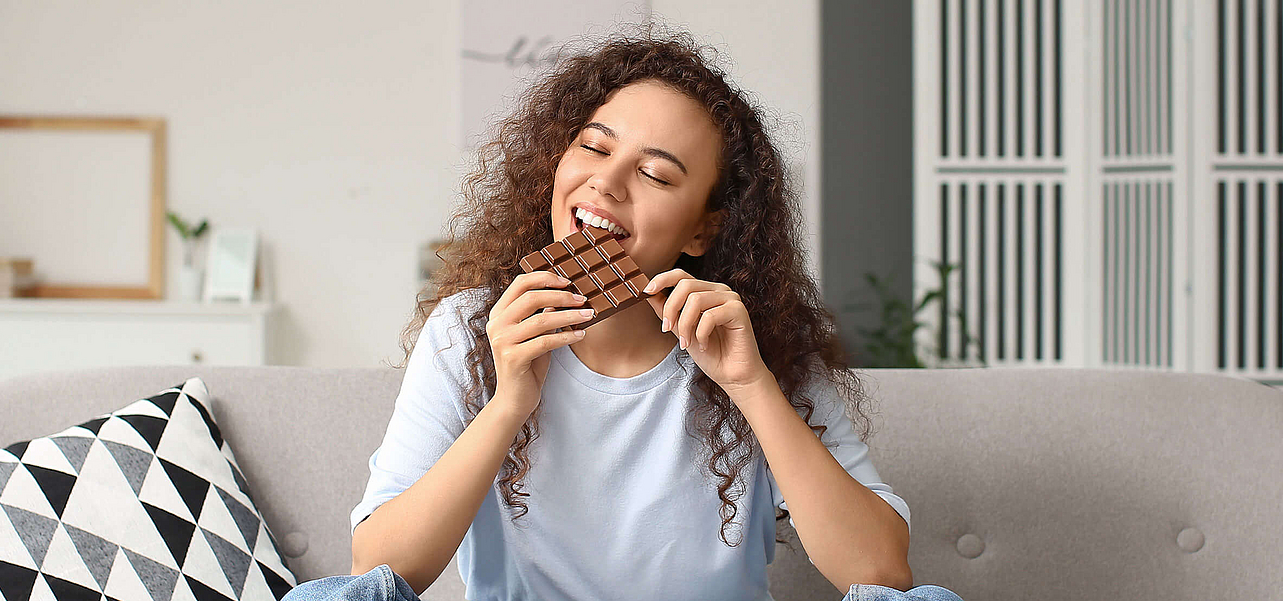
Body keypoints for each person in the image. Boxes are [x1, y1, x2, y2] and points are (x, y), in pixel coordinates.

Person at [285, 31, 965, 601]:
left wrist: (752, 384)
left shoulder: (759, 349)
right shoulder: (471, 330)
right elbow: (376, 570)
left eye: (658, 174)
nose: (606, 182)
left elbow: (882, 575)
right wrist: (508, 401)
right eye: (595, 146)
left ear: (703, 229)